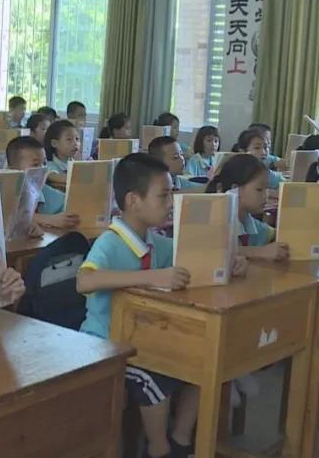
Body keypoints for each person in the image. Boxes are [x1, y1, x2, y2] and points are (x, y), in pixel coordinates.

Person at [76, 154, 218, 458]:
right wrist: (152, 276)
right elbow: (84, 281)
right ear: (133, 200)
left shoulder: (156, 241)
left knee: (205, 367)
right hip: (106, 343)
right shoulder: (111, 242)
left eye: (172, 194)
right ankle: (159, 447)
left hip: (147, 338)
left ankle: (180, 438)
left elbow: (190, 262)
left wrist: (230, 259)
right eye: (163, 195)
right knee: (152, 379)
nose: (171, 203)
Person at [206, 154, 289, 262]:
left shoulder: (253, 225)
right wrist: (258, 251)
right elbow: (210, 251)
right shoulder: (212, 224)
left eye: (267, 189)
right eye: (259, 190)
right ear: (235, 189)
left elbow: (276, 236)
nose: (266, 195)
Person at [5, 137, 78, 229]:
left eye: (44, 163)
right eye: (35, 164)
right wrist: (48, 219)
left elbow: (69, 212)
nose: (43, 169)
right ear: (13, 170)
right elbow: (7, 216)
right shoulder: (3, 194)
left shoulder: (51, 195)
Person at [43, 120, 80, 187]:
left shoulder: (75, 163)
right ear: (54, 143)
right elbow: (55, 177)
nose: (75, 143)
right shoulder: (49, 165)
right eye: (69, 139)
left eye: (77, 139)